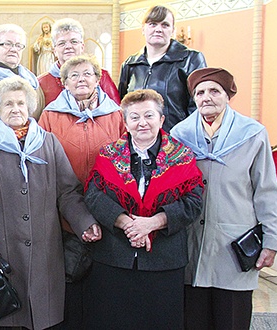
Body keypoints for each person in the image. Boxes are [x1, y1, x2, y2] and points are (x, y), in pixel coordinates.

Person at [0, 76, 99, 329]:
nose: (15, 109)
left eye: (21, 104)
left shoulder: (48, 142)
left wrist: (84, 223)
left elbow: (67, 191)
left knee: (42, 319)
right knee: (4, 321)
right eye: (8, 104)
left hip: (45, 255)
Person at [170, 68, 277, 329]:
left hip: (234, 248)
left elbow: (266, 191)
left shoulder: (252, 134)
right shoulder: (179, 135)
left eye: (214, 91)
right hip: (191, 249)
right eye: (199, 92)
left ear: (228, 95)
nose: (206, 97)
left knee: (231, 320)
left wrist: (272, 241)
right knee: (193, 320)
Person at [83, 89, 203, 329]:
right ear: (125, 123)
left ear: (161, 119)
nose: (142, 123)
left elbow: (194, 202)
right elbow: (93, 195)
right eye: (134, 117)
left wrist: (153, 223)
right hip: (114, 257)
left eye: (149, 116)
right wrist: (127, 223)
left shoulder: (182, 156)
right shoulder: (108, 155)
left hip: (164, 261)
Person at [38, 54, 124, 328]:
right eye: (73, 75)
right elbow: (41, 160)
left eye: (87, 74)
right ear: (64, 83)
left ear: (98, 79)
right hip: (64, 211)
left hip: (109, 208)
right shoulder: (50, 116)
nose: (81, 79)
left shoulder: (116, 115)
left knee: (104, 286)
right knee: (70, 282)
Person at [118, 5, 206, 132]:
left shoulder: (191, 59)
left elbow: (198, 106)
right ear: (143, 29)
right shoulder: (130, 64)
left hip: (177, 140)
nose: (158, 29)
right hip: (139, 140)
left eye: (165, 25)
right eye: (153, 24)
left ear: (172, 30)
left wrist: (185, 137)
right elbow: (123, 106)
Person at [38, 18, 120, 107]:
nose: (68, 46)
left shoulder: (101, 76)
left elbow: (117, 113)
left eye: (74, 42)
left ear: (82, 47)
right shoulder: (42, 82)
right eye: (62, 43)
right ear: (54, 50)